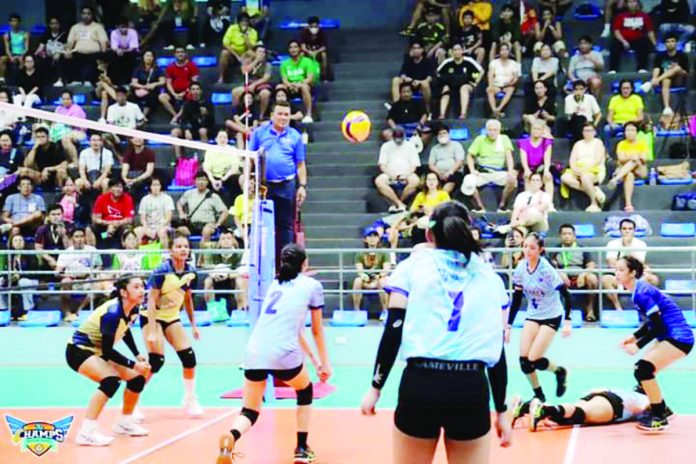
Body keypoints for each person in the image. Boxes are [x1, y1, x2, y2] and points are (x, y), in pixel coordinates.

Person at [360, 201, 512, 464]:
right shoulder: (490, 278)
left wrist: (376, 387)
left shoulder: (412, 266)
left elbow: (393, 328)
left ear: (430, 234)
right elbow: (496, 349)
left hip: (421, 384)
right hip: (470, 388)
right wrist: (500, 409)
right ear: (469, 231)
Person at [217, 244, 332, 464]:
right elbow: (316, 330)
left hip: (254, 352)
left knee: (250, 410)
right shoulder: (313, 285)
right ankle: (301, 448)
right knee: (305, 390)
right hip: (283, 353)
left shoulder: (274, 284)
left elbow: (296, 331)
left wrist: (314, 361)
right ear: (305, 263)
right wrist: (324, 364)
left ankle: (230, 438)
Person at [66, 276, 150, 446]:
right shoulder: (112, 313)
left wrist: (137, 354)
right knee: (110, 382)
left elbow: (125, 331)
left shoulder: (134, 309)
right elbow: (108, 351)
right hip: (79, 350)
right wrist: (134, 364)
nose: (142, 290)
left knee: (137, 379)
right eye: (136, 287)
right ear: (123, 292)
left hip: (97, 350)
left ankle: (124, 423)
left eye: (142, 286)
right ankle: (86, 433)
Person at [616, 256, 693, 432]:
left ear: (633, 273)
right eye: (616, 270)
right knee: (641, 373)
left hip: (678, 337)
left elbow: (658, 325)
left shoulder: (642, 292)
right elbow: (652, 322)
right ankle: (662, 409)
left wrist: (639, 344)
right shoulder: (638, 291)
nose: (616, 274)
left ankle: (659, 417)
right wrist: (634, 336)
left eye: (621, 270)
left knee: (643, 369)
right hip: (670, 335)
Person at [507, 233, 571, 403]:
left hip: (551, 316)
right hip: (533, 315)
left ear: (540, 250)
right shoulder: (521, 268)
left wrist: (568, 321)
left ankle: (559, 371)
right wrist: (508, 325)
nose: (528, 250)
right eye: (525, 246)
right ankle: (539, 395)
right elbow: (517, 298)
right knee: (524, 362)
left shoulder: (546, 269)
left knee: (534, 358)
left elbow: (566, 294)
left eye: (532, 247)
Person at [143, 234, 203, 417]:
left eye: (186, 246)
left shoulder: (191, 272)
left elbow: (187, 299)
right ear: (171, 250)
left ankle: (190, 398)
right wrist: (152, 331)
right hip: (151, 316)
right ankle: (132, 399)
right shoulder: (161, 271)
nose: (183, 249)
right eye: (179, 246)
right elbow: (151, 301)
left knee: (189, 358)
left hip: (172, 317)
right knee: (156, 361)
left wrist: (193, 325)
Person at [248, 101, 307, 254]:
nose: (283, 117)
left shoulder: (295, 136)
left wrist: (302, 186)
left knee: (286, 225)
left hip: (287, 185)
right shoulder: (259, 133)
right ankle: (265, 260)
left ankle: (286, 262)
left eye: (286, 114)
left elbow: (300, 164)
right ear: (272, 115)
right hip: (264, 186)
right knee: (264, 224)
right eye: (280, 114)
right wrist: (249, 179)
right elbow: (249, 159)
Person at [514, 386, 649, 431]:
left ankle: (524, 407)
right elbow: (643, 409)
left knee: (572, 417)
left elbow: (597, 389)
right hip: (614, 406)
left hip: (602, 397)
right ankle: (542, 411)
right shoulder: (647, 399)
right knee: (582, 414)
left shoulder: (626, 391)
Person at [601, 218, 660, 311]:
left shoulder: (641, 244)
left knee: (653, 279)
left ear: (634, 231)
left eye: (630, 229)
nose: (627, 231)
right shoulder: (612, 244)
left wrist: (627, 247)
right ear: (620, 230)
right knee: (605, 279)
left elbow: (639, 264)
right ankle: (618, 307)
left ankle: (643, 307)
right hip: (618, 277)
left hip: (634, 278)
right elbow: (612, 263)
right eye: (624, 229)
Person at [462, 119, 517, 213]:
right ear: (486, 130)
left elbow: (509, 157)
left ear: (499, 131)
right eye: (490, 130)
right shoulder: (480, 139)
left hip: (499, 172)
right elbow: (469, 156)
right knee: (468, 180)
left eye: (495, 130)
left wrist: (511, 170)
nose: (492, 132)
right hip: (482, 173)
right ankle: (480, 207)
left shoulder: (504, 139)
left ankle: (502, 205)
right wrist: (472, 170)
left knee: (512, 179)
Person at [550, 224, 599, 322]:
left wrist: (583, 274)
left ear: (574, 236)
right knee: (554, 278)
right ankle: (557, 311)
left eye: (569, 234)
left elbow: (592, 265)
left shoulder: (582, 248)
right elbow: (551, 266)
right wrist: (560, 272)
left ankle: (590, 310)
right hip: (563, 277)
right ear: (560, 236)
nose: (567, 236)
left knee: (592, 278)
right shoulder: (556, 249)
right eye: (564, 234)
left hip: (580, 277)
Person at [57, 227, 103, 322]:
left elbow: (100, 266)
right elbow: (58, 271)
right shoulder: (66, 253)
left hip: (88, 279)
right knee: (64, 283)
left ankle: (79, 311)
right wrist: (67, 276)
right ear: (72, 238)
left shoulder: (92, 250)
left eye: (82, 236)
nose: (80, 239)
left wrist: (91, 273)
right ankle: (67, 313)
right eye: (77, 236)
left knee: (99, 286)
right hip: (72, 280)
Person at [560, 122, 607, 212]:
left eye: (590, 131)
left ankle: (594, 203)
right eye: (585, 131)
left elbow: (598, 160)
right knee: (564, 177)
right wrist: (574, 169)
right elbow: (572, 160)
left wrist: (585, 169)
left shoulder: (598, 143)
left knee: (585, 177)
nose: (587, 133)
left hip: (594, 170)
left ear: (594, 132)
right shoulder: (578, 144)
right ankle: (594, 191)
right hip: (578, 170)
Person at [375, 126, 421, 213]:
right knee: (379, 181)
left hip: (407, 173)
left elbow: (414, 165)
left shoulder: (410, 146)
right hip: (390, 173)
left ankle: (398, 203)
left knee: (415, 181)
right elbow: (382, 165)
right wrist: (390, 174)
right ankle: (399, 204)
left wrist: (406, 174)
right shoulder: (386, 146)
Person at [642, 33, 689, 116]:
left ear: (676, 43)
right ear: (665, 44)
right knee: (666, 80)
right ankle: (667, 107)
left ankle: (651, 84)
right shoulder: (660, 56)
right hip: (665, 80)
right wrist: (654, 78)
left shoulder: (682, 55)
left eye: (672, 41)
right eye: (668, 42)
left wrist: (675, 70)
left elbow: (686, 73)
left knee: (677, 68)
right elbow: (657, 68)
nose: (670, 43)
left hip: (679, 79)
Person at [199, 228, 245, 312]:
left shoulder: (239, 253)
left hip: (231, 277)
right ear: (219, 242)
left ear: (233, 241)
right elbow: (208, 267)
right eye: (223, 239)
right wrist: (214, 275)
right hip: (215, 276)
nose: (226, 241)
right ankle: (211, 309)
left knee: (240, 281)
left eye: (228, 238)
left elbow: (241, 270)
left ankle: (241, 309)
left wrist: (227, 275)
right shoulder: (212, 251)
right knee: (208, 282)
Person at [607, 122, 648, 213]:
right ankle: (628, 205)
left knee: (634, 161)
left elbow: (644, 158)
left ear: (636, 132)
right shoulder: (621, 144)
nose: (630, 132)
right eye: (628, 130)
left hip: (640, 169)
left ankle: (616, 179)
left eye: (633, 130)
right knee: (629, 175)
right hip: (625, 171)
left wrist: (633, 158)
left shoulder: (642, 143)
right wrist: (633, 157)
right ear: (624, 132)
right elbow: (621, 158)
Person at [436, 43, 484, 120]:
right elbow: (437, 73)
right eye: (455, 50)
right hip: (452, 86)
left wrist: (476, 83)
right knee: (445, 88)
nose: (457, 52)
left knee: (464, 88)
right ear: (452, 52)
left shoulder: (469, 61)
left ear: (462, 51)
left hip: (467, 85)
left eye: (459, 49)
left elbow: (481, 71)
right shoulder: (447, 62)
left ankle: (463, 114)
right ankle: (442, 115)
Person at [176, 171, 229, 242]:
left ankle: (203, 252)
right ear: (194, 181)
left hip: (208, 224)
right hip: (192, 224)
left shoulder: (213, 196)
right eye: (198, 180)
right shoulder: (189, 193)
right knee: (180, 230)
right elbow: (179, 203)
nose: (201, 182)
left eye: (203, 180)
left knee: (206, 231)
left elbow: (225, 211)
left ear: (207, 182)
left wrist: (218, 224)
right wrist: (181, 213)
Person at [65, 5, 109, 86]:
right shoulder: (75, 27)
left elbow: (103, 42)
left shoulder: (98, 27)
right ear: (80, 15)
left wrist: (104, 55)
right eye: (84, 13)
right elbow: (70, 42)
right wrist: (68, 51)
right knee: (64, 57)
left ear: (92, 15)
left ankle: (91, 82)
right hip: (78, 55)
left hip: (94, 55)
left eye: (88, 14)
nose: (86, 16)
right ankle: (72, 81)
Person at [609, 0, 656, 74]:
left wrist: (654, 43)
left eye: (634, 2)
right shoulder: (621, 16)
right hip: (624, 40)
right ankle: (613, 69)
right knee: (614, 45)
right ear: (627, 4)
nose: (632, 4)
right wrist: (624, 41)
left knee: (644, 43)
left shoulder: (644, 16)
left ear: (637, 3)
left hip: (638, 40)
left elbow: (650, 31)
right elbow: (616, 32)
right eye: (630, 2)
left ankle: (642, 68)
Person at [0, 232, 39, 320]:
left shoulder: (30, 254)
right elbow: (5, 271)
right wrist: (7, 277)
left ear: (24, 242)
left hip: (30, 280)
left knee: (23, 282)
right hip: (13, 280)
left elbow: (34, 271)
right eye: (16, 240)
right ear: (12, 243)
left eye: (21, 240)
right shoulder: (9, 255)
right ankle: (3, 310)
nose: (18, 242)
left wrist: (19, 276)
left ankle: (28, 310)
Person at [171, 82, 214, 160]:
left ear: (200, 91)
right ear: (190, 91)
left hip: (204, 128)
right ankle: (178, 159)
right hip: (191, 129)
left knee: (202, 131)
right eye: (193, 89)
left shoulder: (208, 103)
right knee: (174, 132)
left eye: (197, 89)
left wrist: (207, 114)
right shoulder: (187, 104)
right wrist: (186, 130)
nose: (195, 91)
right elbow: (183, 120)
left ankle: (205, 158)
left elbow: (212, 121)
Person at [353, 227, 390, 313]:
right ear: (365, 239)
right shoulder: (360, 253)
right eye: (369, 236)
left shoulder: (384, 252)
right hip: (366, 280)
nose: (372, 238)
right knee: (357, 281)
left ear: (378, 239)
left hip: (378, 279)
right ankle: (356, 310)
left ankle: (385, 311)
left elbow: (386, 269)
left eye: (375, 236)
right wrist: (363, 276)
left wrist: (379, 276)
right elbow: (360, 270)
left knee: (383, 282)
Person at [91, 178, 135, 251]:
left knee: (127, 230)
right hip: (104, 229)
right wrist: (109, 224)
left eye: (120, 187)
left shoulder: (127, 199)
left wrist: (116, 224)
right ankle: (92, 253)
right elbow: (95, 218)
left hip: (120, 228)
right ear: (110, 188)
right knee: (90, 229)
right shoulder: (101, 198)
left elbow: (129, 219)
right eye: (115, 186)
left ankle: (127, 255)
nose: (118, 189)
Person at [160, 47, 200, 125]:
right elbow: (168, 83)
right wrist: (174, 94)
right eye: (178, 52)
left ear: (186, 54)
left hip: (187, 92)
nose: (180, 54)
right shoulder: (170, 67)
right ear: (174, 54)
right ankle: (176, 116)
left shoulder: (192, 65)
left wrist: (184, 92)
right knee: (162, 97)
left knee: (191, 96)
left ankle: (177, 117)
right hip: (174, 93)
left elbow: (194, 82)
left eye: (182, 52)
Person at [279, 40, 316, 123]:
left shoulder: (307, 61)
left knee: (304, 87)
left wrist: (299, 84)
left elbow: (309, 78)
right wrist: (290, 85)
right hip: (290, 85)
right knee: (279, 88)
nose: (293, 49)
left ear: (299, 49)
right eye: (291, 47)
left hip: (303, 84)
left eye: (295, 47)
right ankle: (279, 113)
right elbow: (284, 79)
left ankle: (308, 114)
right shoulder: (284, 64)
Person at [391, 41, 435, 110]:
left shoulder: (428, 61)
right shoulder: (408, 59)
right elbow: (402, 73)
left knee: (425, 84)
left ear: (422, 50)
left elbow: (430, 77)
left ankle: (427, 108)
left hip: (421, 85)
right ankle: (396, 107)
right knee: (395, 80)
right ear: (411, 50)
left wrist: (420, 82)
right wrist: (405, 78)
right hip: (410, 83)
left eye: (418, 48)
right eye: (414, 48)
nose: (416, 50)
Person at [231, 44, 272, 118]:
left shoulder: (268, 65)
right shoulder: (248, 61)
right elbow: (244, 71)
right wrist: (256, 61)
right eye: (259, 52)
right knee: (235, 92)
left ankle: (261, 116)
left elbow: (266, 78)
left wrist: (254, 85)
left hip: (260, 86)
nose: (261, 54)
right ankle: (236, 115)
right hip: (248, 84)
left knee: (265, 93)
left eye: (263, 52)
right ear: (255, 53)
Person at [518, 120, 555, 200]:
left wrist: (546, 170)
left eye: (539, 129)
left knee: (548, 176)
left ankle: (549, 203)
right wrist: (526, 169)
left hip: (541, 166)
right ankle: (529, 201)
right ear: (530, 130)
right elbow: (523, 158)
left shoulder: (547, 142)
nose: (536, 131)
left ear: (543, 131)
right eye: (534, 129)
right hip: (529, 166)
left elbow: (547, 157)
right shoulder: (524, 142)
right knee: (527, 176)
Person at [203, 129, 242, 203]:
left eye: (225, 137)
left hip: (227, 176)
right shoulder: (210, 150)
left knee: (236, 178)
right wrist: (212, 180)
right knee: (202, 176)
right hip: (213, 176)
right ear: (216, 139)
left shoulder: (232, 149)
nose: (222, 139)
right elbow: (207, 168)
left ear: (227, 140)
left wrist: (222, 180)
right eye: (220, 137)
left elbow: (234, 168)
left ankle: (233, 204)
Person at [218, 12, 258, 83]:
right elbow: (225, 43)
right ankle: (221, 77)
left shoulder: (253, 32)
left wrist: (245, 35)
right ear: (238, 22)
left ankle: (248, 78)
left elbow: (251, 47)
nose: (244, 23)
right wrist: (237, 56)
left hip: (245, 54)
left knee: (251, 53)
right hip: (233, 54)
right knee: (224, 53)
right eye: (242, 21)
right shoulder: (232, 28)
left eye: (246, 21)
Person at [135, 176, 174, 248]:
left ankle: (164, 255)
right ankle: (138, 255)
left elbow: (168, 218)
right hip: (148, 226)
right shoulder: (144, 199)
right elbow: (143, 219)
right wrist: (146, 228)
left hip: (163, 226)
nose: (156, 187)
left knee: (162, 232)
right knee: (137, 231)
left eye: (158, 185)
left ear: (161, 186)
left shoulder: (167, 198)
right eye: (153, 185)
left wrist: (158, 228)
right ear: (150, 187)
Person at [33, 203, 70, 277]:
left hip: (65, 258)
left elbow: (70, 249)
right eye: (53, 214)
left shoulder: (69, 227)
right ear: (48, 217)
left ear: (63, 215)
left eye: (58, 214)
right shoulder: (42, 229)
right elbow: (38, 248)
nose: (56, 217)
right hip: (48, 258)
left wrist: (64, 236)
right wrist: (49, 259)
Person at [486, 43, 521, 118]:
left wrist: (512, 82)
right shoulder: (494, 62)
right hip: (496, 85)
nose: (504, 51)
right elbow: (490, 74)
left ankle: (498, 109)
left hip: (508, 85)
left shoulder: (513, 63)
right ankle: (494, 110)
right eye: (502, 49)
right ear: (499, 52)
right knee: (489, 90)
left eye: (506, 49)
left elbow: (516, 77)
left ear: (509, 51)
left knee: (511, 89)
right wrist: (491, 85)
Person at [130, 50, 166, 121]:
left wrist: (154, 84)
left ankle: (143, 116)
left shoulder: (157, 69)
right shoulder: (138, 69)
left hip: (152, 89)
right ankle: (135, 116)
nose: (149, 58)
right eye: (147, 56)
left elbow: (163, 81)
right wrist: (143, 87)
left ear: (153, 58)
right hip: (140, 88)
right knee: (130, 97)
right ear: (143, 57)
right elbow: (134, 82)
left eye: (150, 56)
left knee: (153, 96)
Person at [428, 125, 465, 194]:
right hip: (439, 173)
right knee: (430, 179)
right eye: (440, 134)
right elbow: (431, 165)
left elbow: (460, 161)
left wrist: (450, 172)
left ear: (448, 134)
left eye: (444, 133)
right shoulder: (434, 149)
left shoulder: (456, 145)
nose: (442, 135)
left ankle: (440, 199)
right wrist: (439, 173)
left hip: (454, 173)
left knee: (451, 182)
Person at [54, 90, 87, 167]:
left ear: (72, 99)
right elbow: (55, 122)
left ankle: (75, 161)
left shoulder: (77, 109)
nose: (65, 101)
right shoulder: (58, 108)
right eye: (63, 99)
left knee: (66, 138)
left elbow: (73, 124)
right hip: (62, 130)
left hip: (78, 132)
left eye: (67, 99)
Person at [564, 80, 602, 144]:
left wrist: (594, 125)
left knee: (582, 120)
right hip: (573, 122)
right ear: (573, 90)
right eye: (576, 89)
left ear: (585, 90)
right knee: (579, 119)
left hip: (588, 122)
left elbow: (599, 114)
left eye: (581, 89)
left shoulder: (590, 98)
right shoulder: (568, 98)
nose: (578, 92)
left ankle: (579, 144)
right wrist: (574, 113)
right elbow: (569, 117)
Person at [35, 17, 68, 87]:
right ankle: (43, 82)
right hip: (48, 55)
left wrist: (59, 52)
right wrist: (38, 53)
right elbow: (41, 47)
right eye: (52, 23)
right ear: (49, 25)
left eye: (56, 23)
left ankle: (60, 80)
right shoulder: (46, 34)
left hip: (60, 55)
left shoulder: (64, 34)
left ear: (59, 24)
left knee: (60, 58)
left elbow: (66, 47)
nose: (54, 25)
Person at [109, 17, 139, 86]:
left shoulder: (133, 32)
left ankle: (130, 81)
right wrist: (118, 51)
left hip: (131, 54)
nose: (124, 29)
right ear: (118, 26)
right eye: (122, 27)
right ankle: (116, 82)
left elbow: (133, 48)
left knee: (131, 57)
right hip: (119, 54)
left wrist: (123, 51)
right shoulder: (114, 33)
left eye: (126, 27)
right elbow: (114, 47)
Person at [300, 16, 331, 82]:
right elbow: (303, 46)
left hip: (318, 52)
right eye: (311, 27)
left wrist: (316, 52)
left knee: (324, 55)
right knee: (301, 54)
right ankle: (302, 75)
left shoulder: (322, 33)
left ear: (318, 26)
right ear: (308, 26)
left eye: (315, 26)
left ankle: (324, 76)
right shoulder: (304, 33)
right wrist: (308, 51)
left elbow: (324, 46)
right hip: (308, 52)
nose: (314, 28)